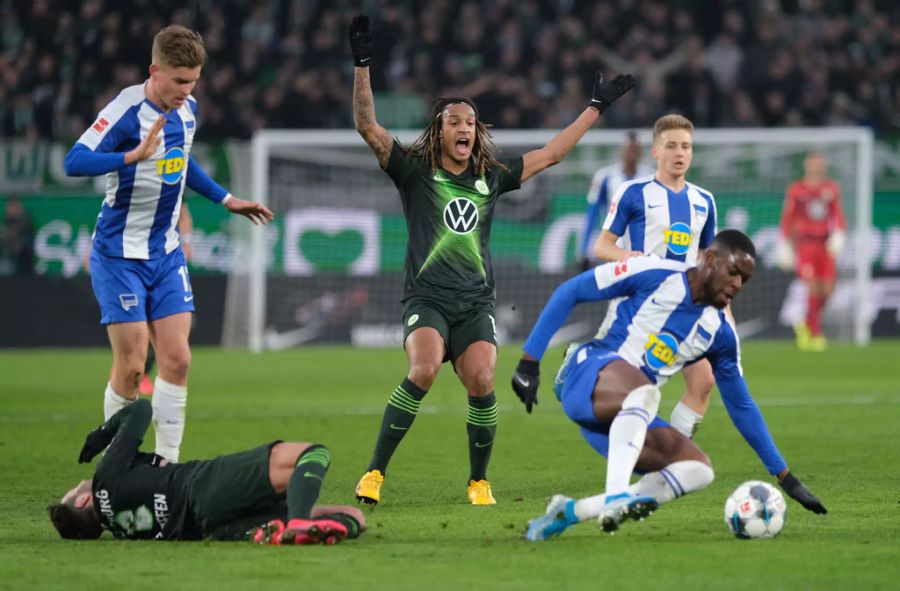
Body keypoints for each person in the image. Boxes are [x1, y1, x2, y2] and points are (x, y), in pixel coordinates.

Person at [348, 14, 635, 506]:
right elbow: (367, 126)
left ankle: (478, 480)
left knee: (482, 379)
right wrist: (362, 64)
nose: (463, 126)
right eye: (453, 121)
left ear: (477, 133)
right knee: (423, 370)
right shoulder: (413, 171)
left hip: (475, 302)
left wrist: (595, 107)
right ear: (438, 132)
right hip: (427, 297)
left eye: (469, 122)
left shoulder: (492, 176)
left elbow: (552, 154)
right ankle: (374, 472)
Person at [510, 230, 827, 540]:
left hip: (622, 422)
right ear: (710, 259)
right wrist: (529, 361)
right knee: (645, 392)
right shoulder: (654, 272)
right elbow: (571, 291)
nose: (737, 284)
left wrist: (785, 476)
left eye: (744, 279)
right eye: (733, 272)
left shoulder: (720, 334)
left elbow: (741, 405)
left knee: (698, 470)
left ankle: (571, 511)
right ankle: (616, 498)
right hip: (585, 377)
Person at [63, 25, 273, 462]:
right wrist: (130, 157)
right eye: (179, 80)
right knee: (133, 366)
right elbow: (74, 160)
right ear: (154, 70)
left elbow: (182, 160)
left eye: (193, 80)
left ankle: (165, 466)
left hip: (165, 253)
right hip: (119, 255)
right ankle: (114, 468)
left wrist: (226, 199)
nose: (187, 89)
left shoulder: (188, 110)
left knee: (177, 359)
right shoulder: (125, 110)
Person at [49, 398, 365, 544]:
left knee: (354, 515)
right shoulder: (106, 478)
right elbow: (141, 409)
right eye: (76, 488)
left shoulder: (119, 530)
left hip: (212, 528)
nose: (81, 482)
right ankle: (298, 523)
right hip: (204, 486)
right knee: (313, 454)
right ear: (82, 501)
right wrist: (101, 435)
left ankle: (290, 530)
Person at [592, 114, 717, 439]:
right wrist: (628, 257)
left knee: (703, 383)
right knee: (625, 392)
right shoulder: (633, 192)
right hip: (639, 307)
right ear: (656, 151)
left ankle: (673, 455)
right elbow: (603, 246)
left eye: (686, 146)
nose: (680, 153)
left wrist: (721, 305)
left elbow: (706, 257)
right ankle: (584, 361)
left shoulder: (704, 200)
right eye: (671, 145)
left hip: (686, 308)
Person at [776, 152, 846, 352]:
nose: (816, 168)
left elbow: (837, 214)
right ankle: (815, 333)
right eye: (813, 164)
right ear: (806, 167)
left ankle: (807, 323)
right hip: (805, 245)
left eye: (819, 164)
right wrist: (784, 244)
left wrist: (839, 233)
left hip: (825, 245)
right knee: (812, 287)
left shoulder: (831, 188)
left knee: (828, 290)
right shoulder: (797, 190)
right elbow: (788, 217)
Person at [577, 132, 653, 271]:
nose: (632, 153)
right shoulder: (604, 177)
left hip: (642, 247)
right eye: (629, 148)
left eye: (635, 149)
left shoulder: (650, 177)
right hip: (613, 246)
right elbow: (592, 215)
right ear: (621, 150)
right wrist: (584, 250)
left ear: (641, 151)